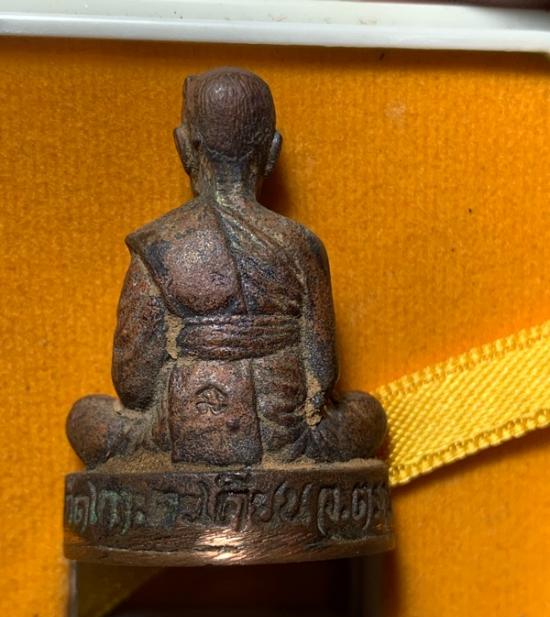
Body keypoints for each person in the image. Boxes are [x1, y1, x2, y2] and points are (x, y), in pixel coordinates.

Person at [67, 68, 386, 469]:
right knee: (368, 415)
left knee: (85, 416)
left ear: (184, 148)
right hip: (285, 436)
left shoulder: (157, 245)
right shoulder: (302, 245)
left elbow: (134, 383)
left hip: (179, 431)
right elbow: (323, 374)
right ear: (273, 151)